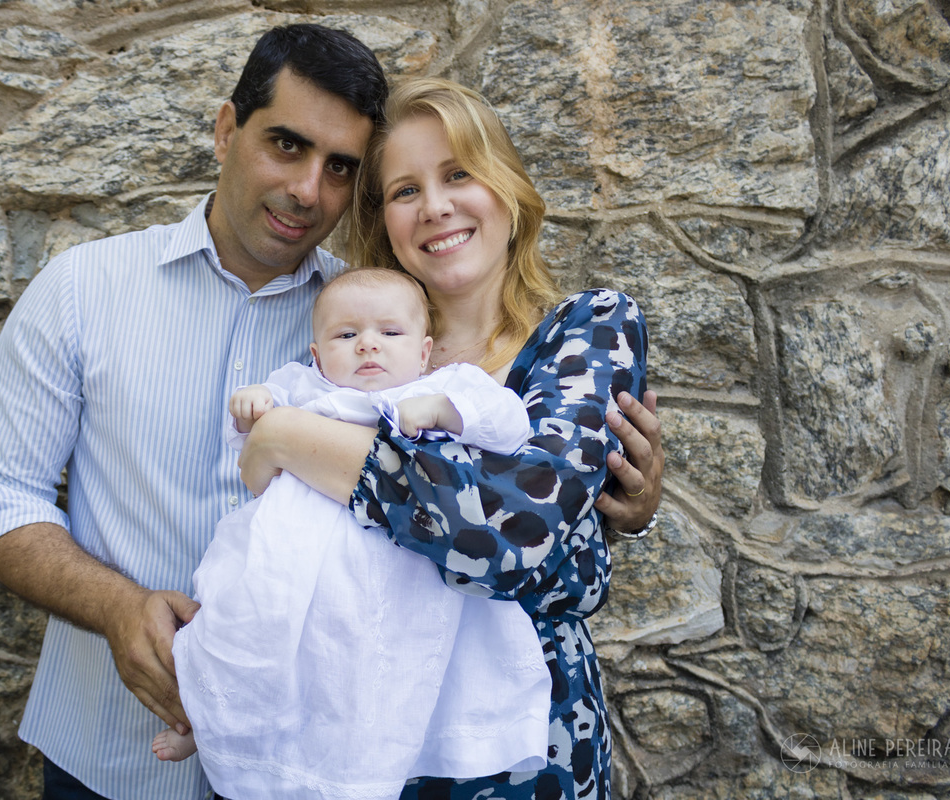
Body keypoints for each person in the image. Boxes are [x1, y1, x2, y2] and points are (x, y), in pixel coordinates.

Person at [0, 22, 662, 799]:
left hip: (343, 755)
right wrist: (119, 610)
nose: (306, 189)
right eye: (286, 146)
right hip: (116, 747)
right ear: (228, 130)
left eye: (340, 169)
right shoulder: (85, 290)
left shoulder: (369, 322)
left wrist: (615, 503)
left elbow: (530, 530)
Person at [236, 77, 652, 799]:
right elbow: (277, 522)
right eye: (404, 190)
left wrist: (290, 437)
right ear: (384, 220)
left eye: (459, 173)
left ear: (507, 188)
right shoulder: (347, 355)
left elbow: (515, 530)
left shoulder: (585, 330)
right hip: (359, 729)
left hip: (526, 746)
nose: (435, 207)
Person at [153, 267, 554, 798]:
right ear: (318, 355)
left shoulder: (442, 385)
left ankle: (383, 753)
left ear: (424, 350)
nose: (368, 345)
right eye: (346, 336)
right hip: (290, 559)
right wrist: (251, 403)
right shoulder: (304, 386)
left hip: (397, 571)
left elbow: (508, 422)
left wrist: (444, 411)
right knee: (236, 628)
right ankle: (212, 726)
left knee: (365, 667)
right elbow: (250, 430)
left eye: (390, 333)